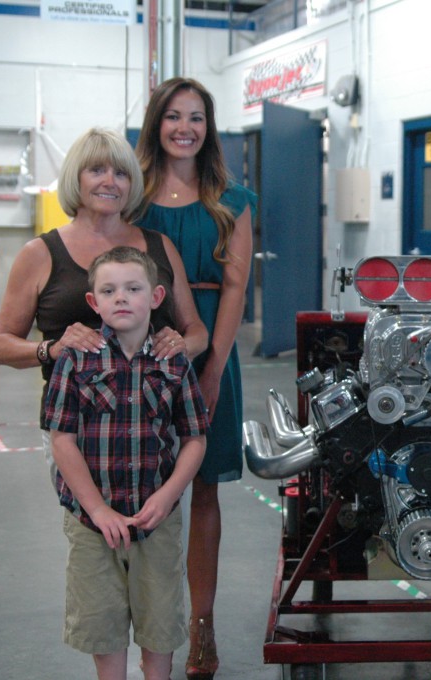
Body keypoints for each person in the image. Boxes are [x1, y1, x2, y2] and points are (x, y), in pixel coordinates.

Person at [0, 127, 207, 486]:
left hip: (153, 423)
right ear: (76, 179)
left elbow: (196, 329)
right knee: (90, 533)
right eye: (97, 171)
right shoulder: (40, 254)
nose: (110, 182)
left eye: (121, 173)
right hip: (76, 428)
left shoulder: (160, 246)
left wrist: (184, 344)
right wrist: (52, 349)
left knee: (158, 533)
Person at [134, 77, 256, 680]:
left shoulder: (231, 199)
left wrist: (212, 369)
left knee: (202, 488)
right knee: (142, 487)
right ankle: (148, 626)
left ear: (209, 128)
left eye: (198, 118)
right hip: (144, 350)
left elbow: (235, 288)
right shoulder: (131, 197)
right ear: (156, 123)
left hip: (211, 346)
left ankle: (200, 628)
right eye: (174, 117)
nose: (185, 128)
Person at [44, 246, 209, 680]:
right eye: (109, 290)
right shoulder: (75, 361)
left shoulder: (173, 361)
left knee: (160, 617)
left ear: (155, 297)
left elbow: (194, 438)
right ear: (92, 303)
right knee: (101, 620)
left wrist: (169, 494)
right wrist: (97, 508)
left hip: (156, 518)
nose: (121, 298)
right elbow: (62, 438)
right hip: (91, 522)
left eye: (132, 289)